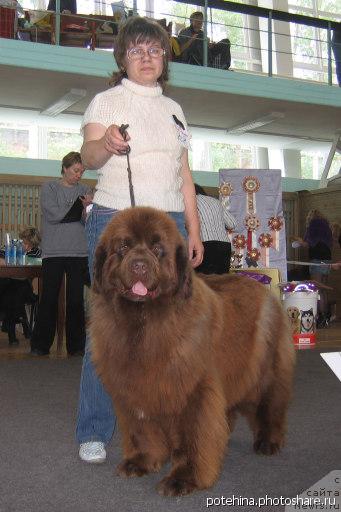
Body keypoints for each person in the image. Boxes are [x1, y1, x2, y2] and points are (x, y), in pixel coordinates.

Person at [76, 16, 203, 464]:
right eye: (136, 50)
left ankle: (160, 419)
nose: (146, 57)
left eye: (154, 49)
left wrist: (194, 228)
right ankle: (93, 429)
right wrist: (107, 144)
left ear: (164, 57)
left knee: (169, 330)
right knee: (108, 330)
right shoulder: (106, 102)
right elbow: (89, 158)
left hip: (169, 225)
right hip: (118, 222)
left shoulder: (175, 111)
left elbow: (184, 176)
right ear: (123, 58)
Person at [30, 151, 92, 356]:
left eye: (81, 171)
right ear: (64, 168)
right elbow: (53, 214)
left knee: (76, 300)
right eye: (75, 170)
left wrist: (85, 210)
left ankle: (76, 347)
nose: (78, 175)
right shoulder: (49, 187)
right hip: (53, 252)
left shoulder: (85, 190)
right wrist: (76, 210)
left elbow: (88, 221)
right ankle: (40, 345)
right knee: (48, 298)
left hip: (78, 252)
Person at [0, 227, 41, 345]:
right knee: (11, 289)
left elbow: (39, 265)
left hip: (25, 286)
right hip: (9, 285)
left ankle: (11, 329)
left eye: (31, 245)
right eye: (25, 243)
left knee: (15, 289)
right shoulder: (11, 247)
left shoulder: (37, 252)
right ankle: (22, 323)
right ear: (22, 239)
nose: (27, 247)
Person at [292, 209, 333, 328]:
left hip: (316, 261)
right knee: (323, 289)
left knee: (317, 289)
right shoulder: (326, 226)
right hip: (327, 260)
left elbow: (308, 243)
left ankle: (321, 317)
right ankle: (326, 316)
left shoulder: (313, 225)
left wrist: (298, 241)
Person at [194, 184, 236, 274]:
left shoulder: (189, 202)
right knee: (222, 281)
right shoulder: (216, 201)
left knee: (204, 282)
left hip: (204, 245)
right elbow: (232, 224)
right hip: (224, 246)